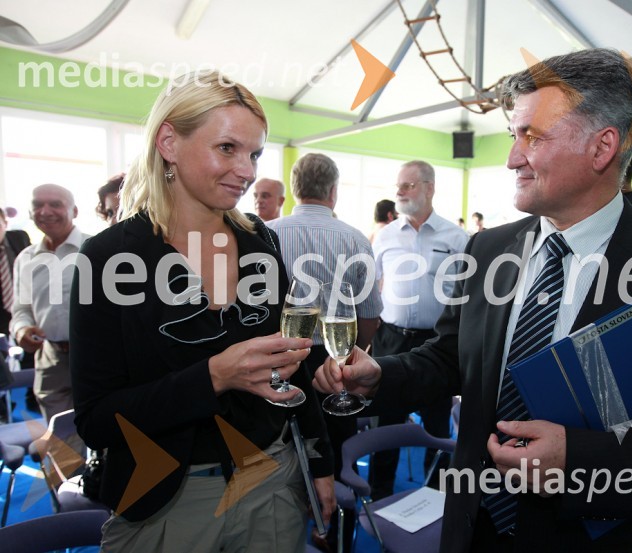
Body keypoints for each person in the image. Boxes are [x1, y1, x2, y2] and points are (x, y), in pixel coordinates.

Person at [315, 49, 632, 552]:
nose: (512, 158)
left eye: (532, 137)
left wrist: (581, 461)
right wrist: (384, 374)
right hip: (473, 527)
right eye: (515, 135)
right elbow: (454, 358)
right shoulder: (487, 249)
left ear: (602, 148)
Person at [69, 71, 334, 552]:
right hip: (168, 500)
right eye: (227, 148)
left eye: (254, 153)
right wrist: (212, 377)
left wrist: (319, 462)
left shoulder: (259, 240)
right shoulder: (109, 257)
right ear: (169, 141)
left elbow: (289, 366)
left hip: (273, 482)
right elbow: (96, 419)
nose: (247, 170)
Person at [269, 152, 382, 552]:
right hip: (337, 363)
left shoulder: (265, 233)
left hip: (279, 361)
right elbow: (368, 314)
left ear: (295, 188)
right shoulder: (353, 239)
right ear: (334, 191)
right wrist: (358, 355)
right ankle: (332, 536)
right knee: (334, 449)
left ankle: (284, 532)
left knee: (284, 447)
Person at [369, 160, 469, 499]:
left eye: (408, 185)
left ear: (429, 188)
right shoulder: (384, 236)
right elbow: (372, 285)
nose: (399, 191)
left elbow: (468, 294)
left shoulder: (457, 238)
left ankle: (437, 496)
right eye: (399, 185)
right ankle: (380, 494)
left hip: (437, 345)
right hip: (391, 339)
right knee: (388, 423)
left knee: (438, 424)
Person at [12, 184, 90, 423]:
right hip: (50, 357)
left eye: (55, 204)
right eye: (38, 205)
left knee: (105, 432)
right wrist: (22, 329)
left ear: (74, 211)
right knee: (61, 444)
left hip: (95, 355)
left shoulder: (97, 249)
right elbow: (21, 310)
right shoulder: (26, 258)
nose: (45, 212)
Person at [0, 206, 30, 421]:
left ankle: (31, 397)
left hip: (21, 305)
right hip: (2, 312)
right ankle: (4, 406)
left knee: (29, 353)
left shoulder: (18, 239)